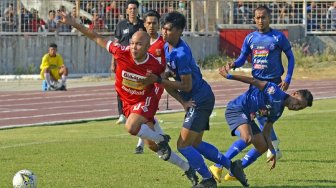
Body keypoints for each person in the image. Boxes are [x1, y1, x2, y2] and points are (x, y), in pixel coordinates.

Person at [58, 11, 200, 187]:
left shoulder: (155, 65)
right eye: (132, 43)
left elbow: (165, 83)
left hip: (146, 99)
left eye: (139, 44)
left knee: (131, 127)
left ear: (147, 46)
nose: (133, 47)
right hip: (128, 103)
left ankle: (161, 139)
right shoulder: (121, 52)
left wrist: (182, 101)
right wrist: (74, 23)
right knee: (153, 147)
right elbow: (95, 37)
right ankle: (187, 168)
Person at [141, 11, 248, 188]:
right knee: (195, 143)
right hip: (199, 98)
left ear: (179, 31)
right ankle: (232, 166)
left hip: (200, 99)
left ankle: (208, 180)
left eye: (168, 30)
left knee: (183, 145)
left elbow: (186, 86)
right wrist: (181, 100)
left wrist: (160, 79)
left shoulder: (181, 53)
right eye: (163, 29)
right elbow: (168, 82)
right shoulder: (167, 47)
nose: (164, 32)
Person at [209, 65, 313, 184]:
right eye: (298, 103)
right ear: (294, 94)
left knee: (262, 146)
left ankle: (236, 171)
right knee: (247, 137)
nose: (296, 107)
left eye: (300, 108)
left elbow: (266, 131)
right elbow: (253, 81)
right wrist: (229, 76)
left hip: (248, 118)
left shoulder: (278, 111)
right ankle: (217, 165)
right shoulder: (274, 91)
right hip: (237, 109)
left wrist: (272, 150)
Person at [225, 5, 296, 162]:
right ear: (254, 19)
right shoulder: (250, 38)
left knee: (267, 115)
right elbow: (243, 58)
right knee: (261, 115)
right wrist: (234, 64)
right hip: (256, 84)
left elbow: (291, 57)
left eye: (263, 17)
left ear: (269, 18)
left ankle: (270, 146)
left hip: (274, 83)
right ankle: (270, 146)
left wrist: (288, 78)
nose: (260, 20)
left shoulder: (278, 37)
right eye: (257, 17)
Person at [134, 10, 166, 154]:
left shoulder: (163, 43)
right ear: (144, 24)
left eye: (154, 23)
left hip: (157, 84)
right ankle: (161, 138)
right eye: (149, 23)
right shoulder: (140, 43)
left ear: (158, 25)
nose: (151, 26)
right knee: (146, 113)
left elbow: (168, 64)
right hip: (143, 84)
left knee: (145, 112)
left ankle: (142, 144)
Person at [112, 0, 145, 125]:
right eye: (130, 9)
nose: (132, 11)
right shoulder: (121, 25)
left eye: (134, 8)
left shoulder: (142, 25)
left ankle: (137, 111)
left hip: (138, 62)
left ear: (137, 10)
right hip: (123, 62)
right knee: (121, 87)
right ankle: (122, 114)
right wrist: (113, 62)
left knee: (138, 87)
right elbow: (116, 44)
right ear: (127, 11)